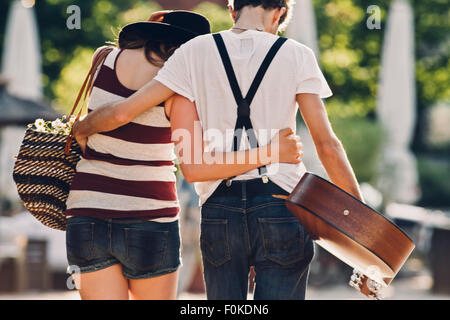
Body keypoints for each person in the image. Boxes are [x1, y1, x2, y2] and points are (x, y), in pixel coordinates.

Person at [73, 0, 363, 300]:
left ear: (232, 10)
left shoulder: (192, 53)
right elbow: (328, 146)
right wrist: (363, 234)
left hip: (220, 207)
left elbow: (124, 112)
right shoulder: (297, 54)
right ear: (279, 14)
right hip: (281, 202)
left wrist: (81, 127)